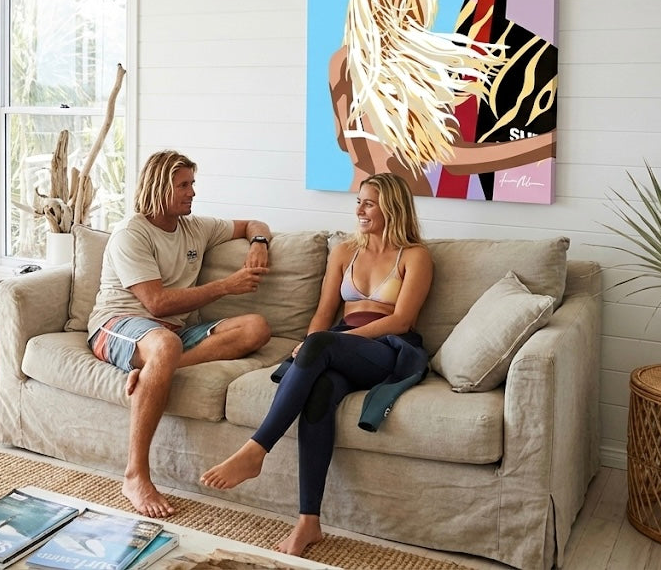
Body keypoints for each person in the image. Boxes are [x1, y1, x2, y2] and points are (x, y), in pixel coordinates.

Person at [200, 172, 433, 556]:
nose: (359, 209)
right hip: (339, 346)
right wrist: (313, 345)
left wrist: (328, 343)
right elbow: (323, 314)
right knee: (319, 392)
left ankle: (257, 449)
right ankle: (309, 522)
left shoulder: (415, 256)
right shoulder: (344, 252)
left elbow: (401, 320)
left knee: (320, 344)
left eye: (369, 203)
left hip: (387, 348)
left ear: (392, 207)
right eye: (359, 201)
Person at [87, 149, 273, 519]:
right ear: (159, 188)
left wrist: (259, 244)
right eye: (183, 185)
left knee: (257, 328)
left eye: (192, 184)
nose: (192, 192)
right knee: (165, 343)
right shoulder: (132, 234)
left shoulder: (195, 227)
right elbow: (155, 303)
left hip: (172, 334)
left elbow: (253, 223)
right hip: (119, 324)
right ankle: (135, 475)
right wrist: (225, 286)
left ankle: (157, 368)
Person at [329, 0, 555, 194]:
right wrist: (548, 143)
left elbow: (343, 141)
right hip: (404, 200)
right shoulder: (419, 63)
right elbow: (453, 159)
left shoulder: (341, 62)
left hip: (360, 195)